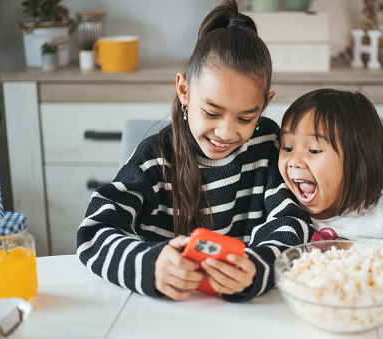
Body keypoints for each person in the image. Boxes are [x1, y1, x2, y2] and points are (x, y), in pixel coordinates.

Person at [76, 0, 312, 302]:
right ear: (184, 91)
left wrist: (257, 268)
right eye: (212, 113)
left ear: (265, 104)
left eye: (245, 118)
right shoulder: (154, 158)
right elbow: (93, 233)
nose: (226, 133)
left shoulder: (268, 145)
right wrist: (149, 265)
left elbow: (293, 224)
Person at [278, 88, 383, 251]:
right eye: (287, 148)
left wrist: (351, 248)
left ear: (356, 160)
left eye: (314, 150)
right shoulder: (280, 201)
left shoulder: (382, 210)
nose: (294, 161)